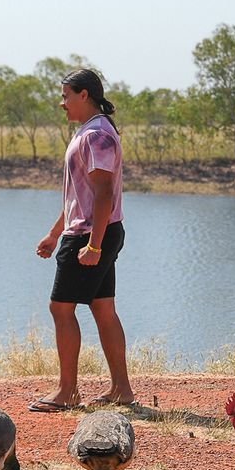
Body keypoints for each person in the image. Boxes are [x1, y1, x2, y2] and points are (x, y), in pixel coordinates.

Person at [31, 67, 135, 412]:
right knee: (103, 308)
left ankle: (67, 392)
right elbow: (82, 193)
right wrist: (55, 231)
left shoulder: (96, 135)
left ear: (84, 95)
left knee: (60, 308)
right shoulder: (90, 132)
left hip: (92, 235)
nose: (62, 103)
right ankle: (121, 389)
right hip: (93, 230)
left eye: (66, 96)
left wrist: (93, 245)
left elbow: (104, 192)